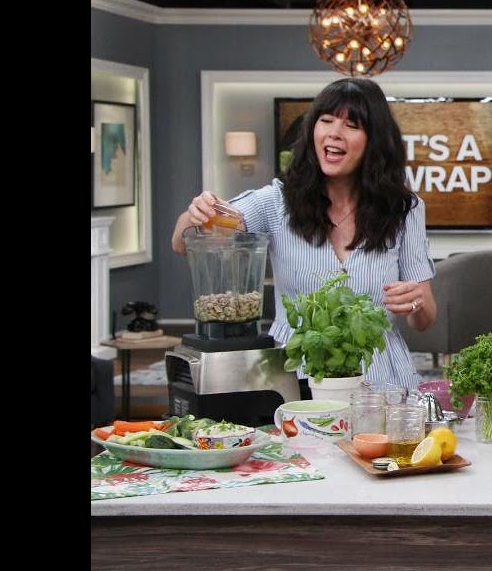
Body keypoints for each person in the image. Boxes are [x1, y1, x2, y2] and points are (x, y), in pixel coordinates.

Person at [171, 77, 437, 389]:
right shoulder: (275, 201)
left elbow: (425, 319)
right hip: (292, 376)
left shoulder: (404, 209)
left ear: (374, 141)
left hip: (381, 382)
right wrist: (195, 215)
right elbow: (183, 243)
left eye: (351, 125)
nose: (334, 132)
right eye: (326, 120)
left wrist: (416, 302)